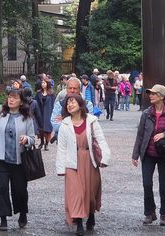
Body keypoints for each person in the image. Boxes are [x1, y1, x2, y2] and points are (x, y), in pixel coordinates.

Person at [0, 89, 36, 231]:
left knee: (20, 190)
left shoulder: (26, 118)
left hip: (19, 161)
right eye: (10, 97)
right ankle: (3, 218)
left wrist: (26, 139)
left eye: (15, 98)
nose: (11, 100)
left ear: (21, 101)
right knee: (2, 188)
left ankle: (22, 213)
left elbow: (33, 139)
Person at [56, 94, 111, 235]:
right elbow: (61, 148)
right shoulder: (65, 124)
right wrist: (60, 168)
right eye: (67, 103)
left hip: (89, 160)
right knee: (76, 193)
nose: (69, 105)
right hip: (72, 162)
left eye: (72, 102)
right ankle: (79, 223)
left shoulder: (92, 121)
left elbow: (101, 139)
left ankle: (91, 214)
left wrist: (105, 157)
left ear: (81, 105)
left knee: (90, 193)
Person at [132, 84, 165, 226]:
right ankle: (149, 212)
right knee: (146, 184)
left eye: (153, 93)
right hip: (148, 154)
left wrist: (164, 134)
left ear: (161, 96)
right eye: (150, 93)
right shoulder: (146, 113)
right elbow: (140, 135)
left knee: (164, 186)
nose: (150, 95)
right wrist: (135, 155)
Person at [35, 79, 56, 150]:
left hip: (48, 112)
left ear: (47, 84)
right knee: (40, 128)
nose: (43, 84)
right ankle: (41, 142)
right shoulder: (38, 93)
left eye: (44, 83)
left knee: (48, 129)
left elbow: (54, 103)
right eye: (42, 83)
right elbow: (36, 102)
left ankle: (46, 143)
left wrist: (53, 112)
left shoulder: (51, 93)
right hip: (40, 112)